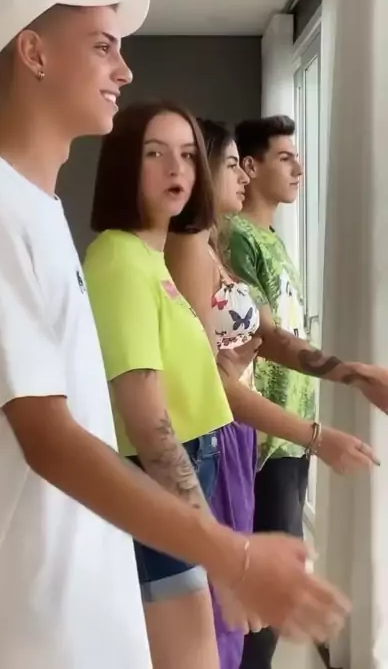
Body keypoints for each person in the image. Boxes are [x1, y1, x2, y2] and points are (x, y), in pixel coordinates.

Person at [0, 0, 347, 669]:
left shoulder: (32, 210)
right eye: (103, 46)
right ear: (34, 53)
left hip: (55, 593)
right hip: (6, 619)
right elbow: (49, 437)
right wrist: (228, 552)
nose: (124, 69)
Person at [82, 102, 349, 668]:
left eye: (187, 155)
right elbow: (149, 424)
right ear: (124, 164)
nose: (177, 169)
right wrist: (225, 554)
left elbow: (193, 373)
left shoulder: (150, 257)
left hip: (194, 469)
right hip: (166, 482)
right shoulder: (119, 260)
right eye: (155, 154)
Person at [165, 118, 378, 669]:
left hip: (240, 438)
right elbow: (205, 379)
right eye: (231, 164)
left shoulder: (214, 247)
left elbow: (269, 337)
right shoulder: (192, 248)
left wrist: (355, 374)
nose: (242, 175)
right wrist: (316, 435)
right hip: (218, 438)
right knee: (236, 607)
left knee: (250, 609)